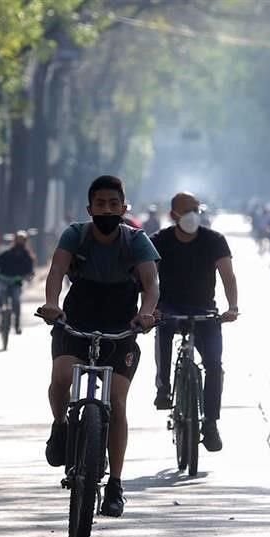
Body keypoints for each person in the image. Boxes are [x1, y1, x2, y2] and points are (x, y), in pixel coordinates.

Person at [36, 175, 159, 518]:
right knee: (61, 376)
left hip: (122, 327)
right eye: (100, 204)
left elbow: (151, 286)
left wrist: (146, 314)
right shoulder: (75, 235)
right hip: (75, 321)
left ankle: (115, 484)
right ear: (90, 208)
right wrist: (51, 304)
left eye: (113, 204)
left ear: (124, 208)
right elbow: (57, 271)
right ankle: (60, 424)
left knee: (117, 402)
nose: (107, 209)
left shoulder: (136, 240)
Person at [151, 192, 239, 452]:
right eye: (186, 210)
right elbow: (148, 277)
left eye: (196, 209)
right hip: (170, 309)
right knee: (163, 329)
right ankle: (163, 389)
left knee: (214, 366)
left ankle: (210, 423)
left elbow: (228, 277)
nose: (192, 214)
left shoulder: (214, 241)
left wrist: (232, 307)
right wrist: (150, 309)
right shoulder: (160, 241)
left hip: (205, 311)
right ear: (173, 215)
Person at [0, 230, 36, 335]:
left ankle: (17, 325)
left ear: (25, 241)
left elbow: (30, 271)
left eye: (22, 240)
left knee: (16, 301)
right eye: (18, 240)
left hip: (17, 282)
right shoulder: (6, 253)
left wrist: (28, 276)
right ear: (14, 240)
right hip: (3, 280)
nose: (20, 242)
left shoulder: (27, 256)